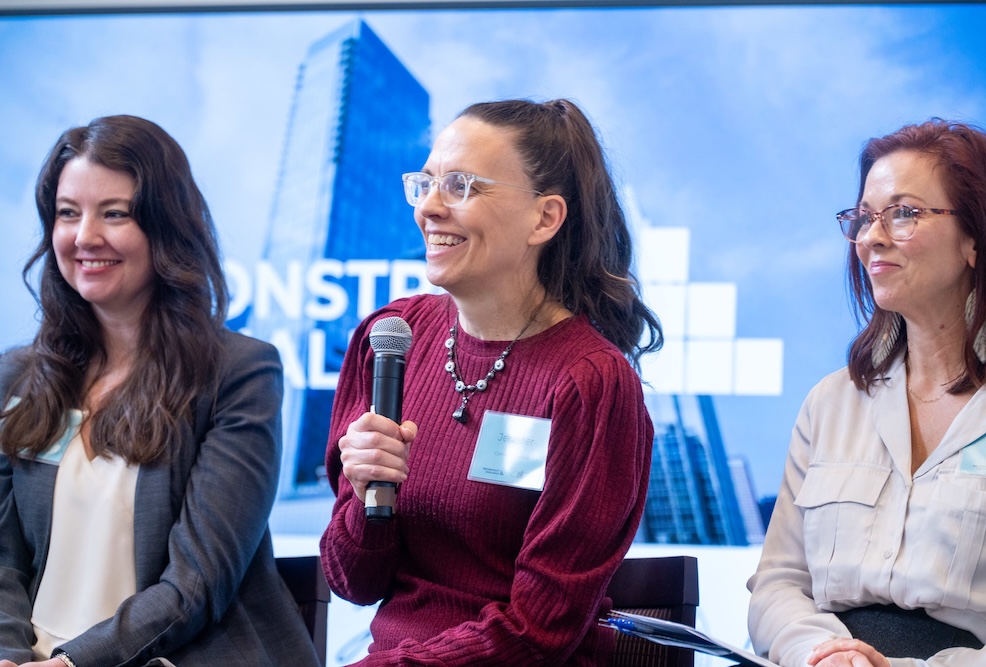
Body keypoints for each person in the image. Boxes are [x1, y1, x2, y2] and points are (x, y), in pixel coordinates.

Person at [320, 98, 663, 665]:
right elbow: (352, 582)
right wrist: (364, 496)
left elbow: (540, 629)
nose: (429, 207)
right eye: (425, 183)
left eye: (461, 186)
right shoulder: (390, 338)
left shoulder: (591, 383)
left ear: (545, 218)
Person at [0, 115, 320, 667]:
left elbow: (197, 582)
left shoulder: (237, 374)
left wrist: (74, 663)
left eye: (115, 214)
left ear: (166, 227)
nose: (84, 237)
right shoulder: (20, 378)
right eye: (67, 214)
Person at [747, 119, 986, 667]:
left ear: (977, 238)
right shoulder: (831, 402)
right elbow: (777, 585)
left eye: (904, 213)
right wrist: (822, 654)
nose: (871, 237)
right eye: (864, 218)